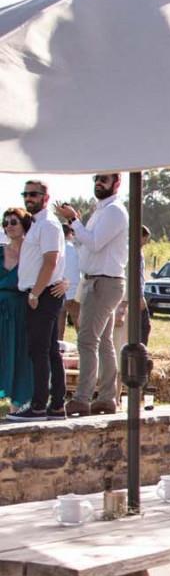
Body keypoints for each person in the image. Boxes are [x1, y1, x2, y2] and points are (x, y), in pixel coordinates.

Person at [58, 173, 127, 417]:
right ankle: (107, 397)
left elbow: (95, 243)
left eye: (104, 179)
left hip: (103, 282)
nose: (99, 182)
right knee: (104, 341)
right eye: (97, 178)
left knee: (87, 341)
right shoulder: (102, 211)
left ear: (116, 183)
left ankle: (83, 398)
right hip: (97, 281)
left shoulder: (114, 211)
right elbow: (89, 245)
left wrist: (75, 221)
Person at [8, 180, 67, 421]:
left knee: (40, 351)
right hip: (41, 293)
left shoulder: (49, 224)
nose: (28, 198)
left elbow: (51, 261)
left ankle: (40, 405)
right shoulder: (36, 224)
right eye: (26, 194)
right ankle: (56, 406)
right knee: (50, 351)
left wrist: (35, 293)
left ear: (45, 196)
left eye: (34, 194)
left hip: (42, 295)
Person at [0, 209, 35, 411]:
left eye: (13, 222)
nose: (9, 226)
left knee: (21, 353)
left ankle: (18, 403)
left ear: (24, 226)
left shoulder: (32, 254)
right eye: (5, 223)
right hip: (1, 308)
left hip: (22, 309)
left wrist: (64, 283)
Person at [112, 225, 152, 363]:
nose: (146, 242)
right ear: (140, 237)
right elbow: (133, 277)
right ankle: (138, 360)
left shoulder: (132, 251)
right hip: (133, 297)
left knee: (142, 328)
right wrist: (137, 297)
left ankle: (139, 358)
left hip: (133, 296)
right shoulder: (132, 252)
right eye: (146, 239)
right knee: (141, 329)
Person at [58, 226, 80, 341]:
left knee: (59, 323)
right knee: (78, 322)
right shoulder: (75, 248)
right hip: (74, 289)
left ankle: (59, 348)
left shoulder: (57, 248)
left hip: (59, 288)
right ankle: (83, 349)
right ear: (69, 234)